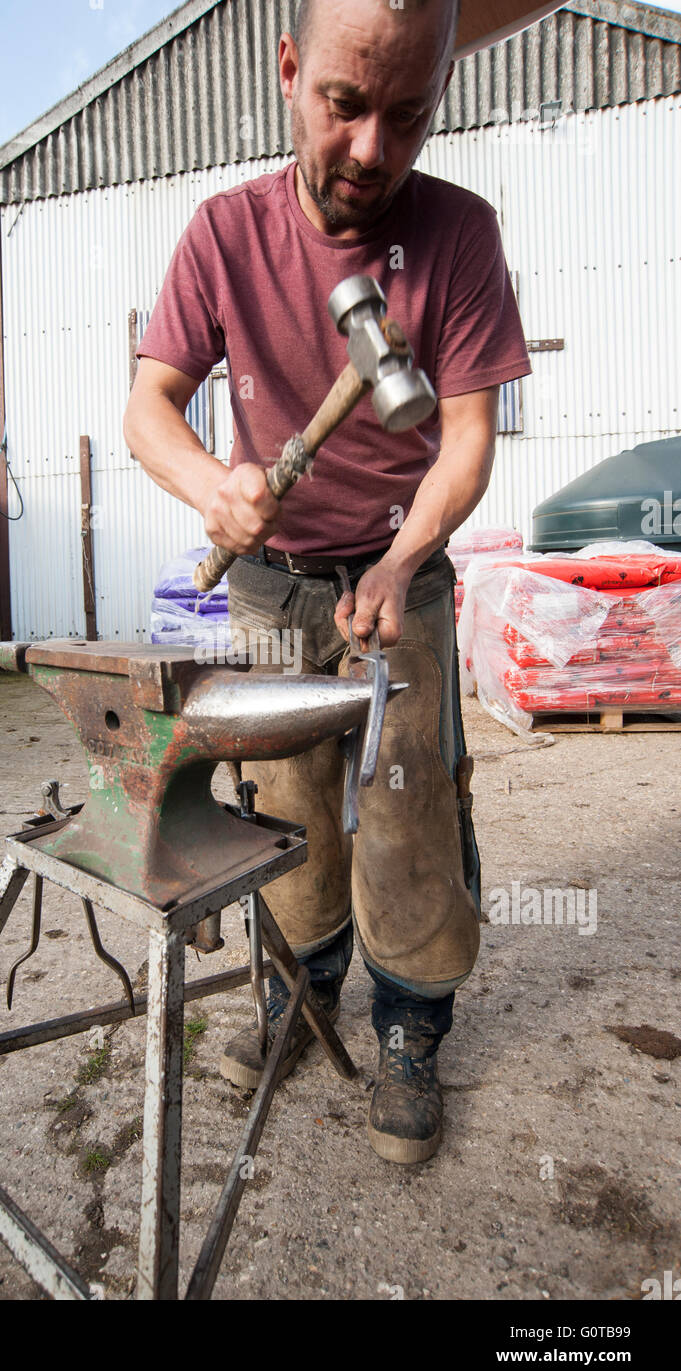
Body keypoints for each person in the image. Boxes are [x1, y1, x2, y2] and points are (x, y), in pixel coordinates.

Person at [124, 0, 544, 1164]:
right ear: (288, 69)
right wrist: (214, 485)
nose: (370, 150)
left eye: (406, 117)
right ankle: (297, 994)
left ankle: (410, 1028)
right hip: (267, 582)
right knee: (290, 806)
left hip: (396, 570)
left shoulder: (458, 235)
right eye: (344, 105)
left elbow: (463, 439)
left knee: (408, 802)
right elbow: (147, 408)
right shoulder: (223, 233)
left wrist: (407, 555)